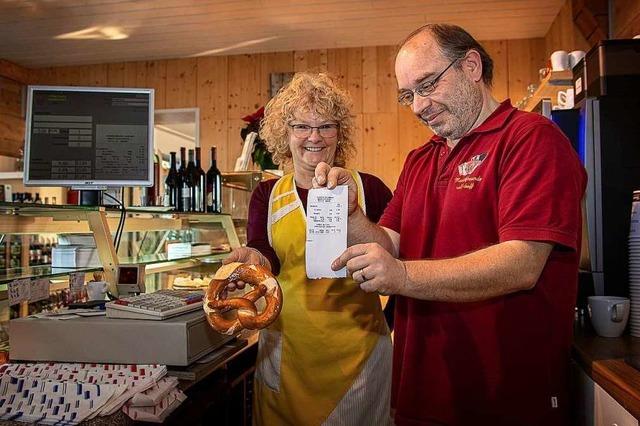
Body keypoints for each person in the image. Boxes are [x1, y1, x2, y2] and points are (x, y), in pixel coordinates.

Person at [314, 24, 587, 426]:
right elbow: (388, 243)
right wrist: (352, 215)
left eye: (427, 85)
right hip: (420, 394)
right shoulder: (419, 160)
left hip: (505, 399)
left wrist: (403, 276)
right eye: (408, 95)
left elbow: (523, 264)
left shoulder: (530, 138)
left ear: (471, 66)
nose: (419, 106)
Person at [223, 72, 394, 425]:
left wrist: (386, 328)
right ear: (285, 135)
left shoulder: (370, 189)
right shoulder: (267, 196)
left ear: (339, 133)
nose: (314, 137)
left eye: (326, 126)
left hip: (359, 359)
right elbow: (262, 252)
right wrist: (250, 261)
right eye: (301, 126)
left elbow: (399, 261)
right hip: (288, 356)